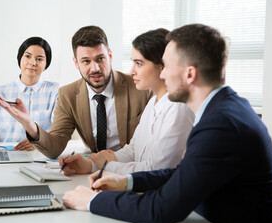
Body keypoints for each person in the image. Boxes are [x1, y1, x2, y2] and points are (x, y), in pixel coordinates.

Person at [62, 24, 272, 223]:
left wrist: (92, 201)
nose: (161, 74)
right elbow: (185, 173)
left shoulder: (221, 125)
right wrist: (128, 181)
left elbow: (162, 210)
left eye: (166, 66)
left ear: (189, 74)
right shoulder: (223, 110)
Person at [0, 26, 151, 158]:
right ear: (76, 63)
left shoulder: (141, 87)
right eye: (86, 61)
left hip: (134, 167)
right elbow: (54, 147)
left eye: (100, 59)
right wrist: (29, 124)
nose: (95, 68)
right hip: (94, 169)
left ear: (110, 56)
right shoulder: (68, 95)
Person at [58, 28, 194, 175]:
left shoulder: (179, 107)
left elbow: (157, 170)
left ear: (163, 65)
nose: (132, 71)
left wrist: (106, 166)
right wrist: (91, 165)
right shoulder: (154, 101)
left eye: (139, 63)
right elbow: (133, 150)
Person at [0, 37, 59, 151]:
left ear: (46, 64)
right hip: (8, 157)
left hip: (41, 156)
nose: (32, 63)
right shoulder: (0, 92)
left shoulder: (55, 91)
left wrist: (39, 140)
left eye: (39, 59)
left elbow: (58, 133)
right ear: (20, 58)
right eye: (28, 56)